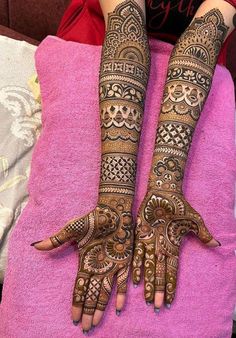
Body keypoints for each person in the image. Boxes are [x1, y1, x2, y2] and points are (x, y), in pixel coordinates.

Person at [30, 0, 236, 334]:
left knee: (188, 295)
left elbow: (207, 31)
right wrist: (115, 200)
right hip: (95, 52)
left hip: (199, 80)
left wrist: (165, 186)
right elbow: (124, 16)